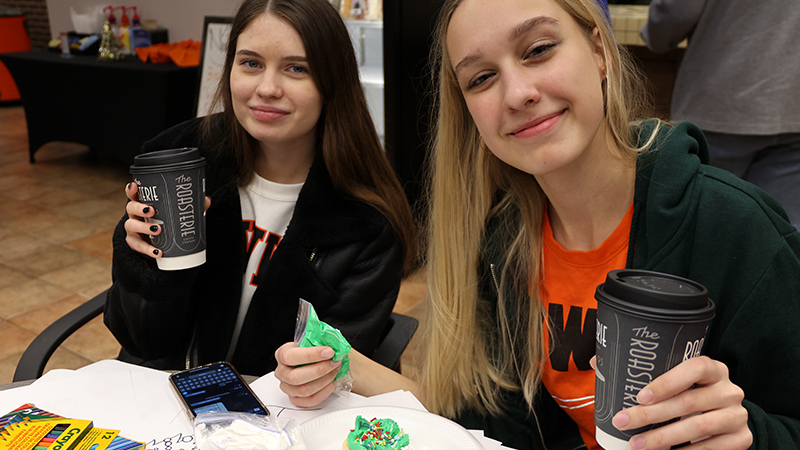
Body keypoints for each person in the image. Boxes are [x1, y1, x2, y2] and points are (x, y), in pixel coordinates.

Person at [274, 0, 800, 449]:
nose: (517, 93)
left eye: (538, 49)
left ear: (598, 51)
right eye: (481, 78)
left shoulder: (737, 229)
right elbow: (498, 427)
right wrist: (345, 368)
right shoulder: (500, 241)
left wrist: (750, 432)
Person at [104, 0, 416, 377]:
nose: (267, 88)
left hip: (279, 420)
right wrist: (143, 268)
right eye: (251, 63)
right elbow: (142, 343)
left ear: (332, 82)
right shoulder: (175, 166)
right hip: (163, 397)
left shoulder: (367, 219)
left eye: (296, 68)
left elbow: (336, 376)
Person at [640, 0, 800, 229]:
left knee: (700, 233)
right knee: (782, 236)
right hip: (793, 106)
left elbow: (676, 11)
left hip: (720, 103)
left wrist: (657, 34)